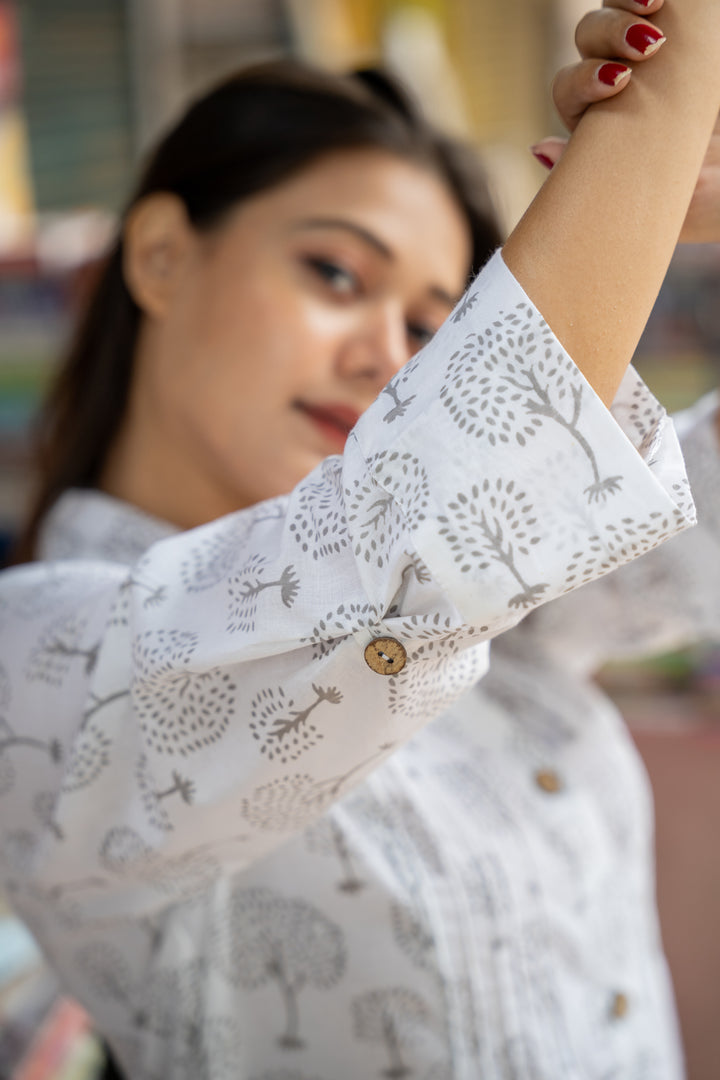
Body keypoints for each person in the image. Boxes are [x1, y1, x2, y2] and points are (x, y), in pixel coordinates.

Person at [0, 0, 718, 1076]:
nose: (384, 352)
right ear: (158, 256)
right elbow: (423, 522)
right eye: (337, 274)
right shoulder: (38, 660)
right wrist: (667, 103)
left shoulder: (510, 610)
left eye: (433, 329)